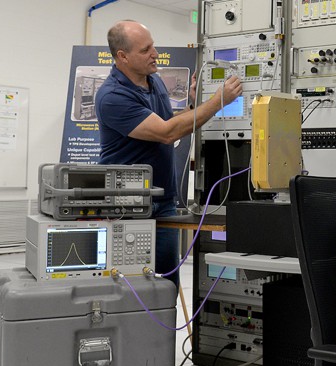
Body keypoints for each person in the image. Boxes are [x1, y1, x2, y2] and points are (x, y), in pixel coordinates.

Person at [96, 20, 242, 287]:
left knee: (166, 282)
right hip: (127, 207)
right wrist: (217, 101)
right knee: (132, 285)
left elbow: (170, 122)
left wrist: (192, 104)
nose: (155, 53)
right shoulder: (112, 96)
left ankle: (164, 330)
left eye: (153, 46)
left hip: (163, 201)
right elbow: (166, 132)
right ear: (122, 56)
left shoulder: (154, 82)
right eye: (145, 50)